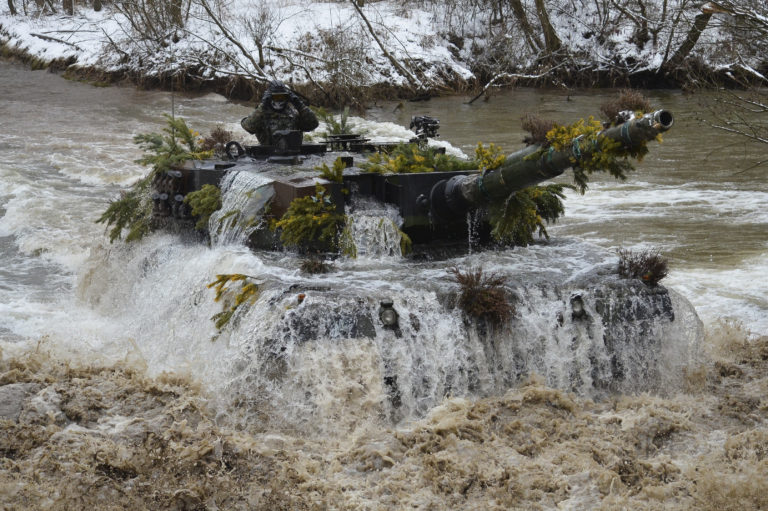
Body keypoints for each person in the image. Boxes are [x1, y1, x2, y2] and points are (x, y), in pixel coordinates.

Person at [241, 81, 319, 146]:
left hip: (292, 155)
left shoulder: (294, 114)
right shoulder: (261, 114)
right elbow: (248, 127)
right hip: (267, 156)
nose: (279, 100)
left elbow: (313, 124)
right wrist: (263, 105)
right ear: (270, 97)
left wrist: (299, 104)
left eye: (282, 97)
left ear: (287, 97)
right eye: (276, 97)